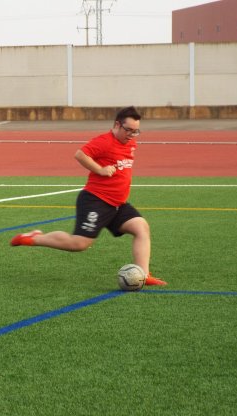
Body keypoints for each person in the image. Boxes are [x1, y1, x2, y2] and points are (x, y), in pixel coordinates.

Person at [11, 106, 167, 286]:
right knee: (78, 244)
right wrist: (100, 169)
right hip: (96, 201)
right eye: (128, 130)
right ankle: (34, 238)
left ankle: (144, 275)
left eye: (136, 131)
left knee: (141, 227)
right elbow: (80, 154)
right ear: (117, 124)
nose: (132, 135)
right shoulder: (104, 141)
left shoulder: (130, 143)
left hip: (117, 204)